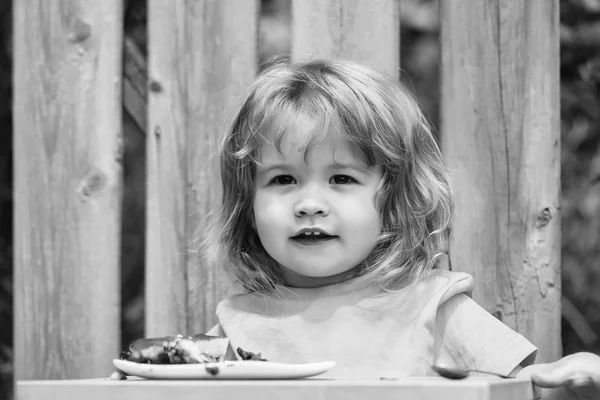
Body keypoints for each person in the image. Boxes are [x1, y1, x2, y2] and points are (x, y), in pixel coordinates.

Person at [203, 59, 599, 397]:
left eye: (341, 179)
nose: (309, 205)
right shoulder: (235, 328)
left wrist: (570, 372)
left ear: (394, 199)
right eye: (282, 180)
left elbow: (518, 388)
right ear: (247, 204)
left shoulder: (431, 307)